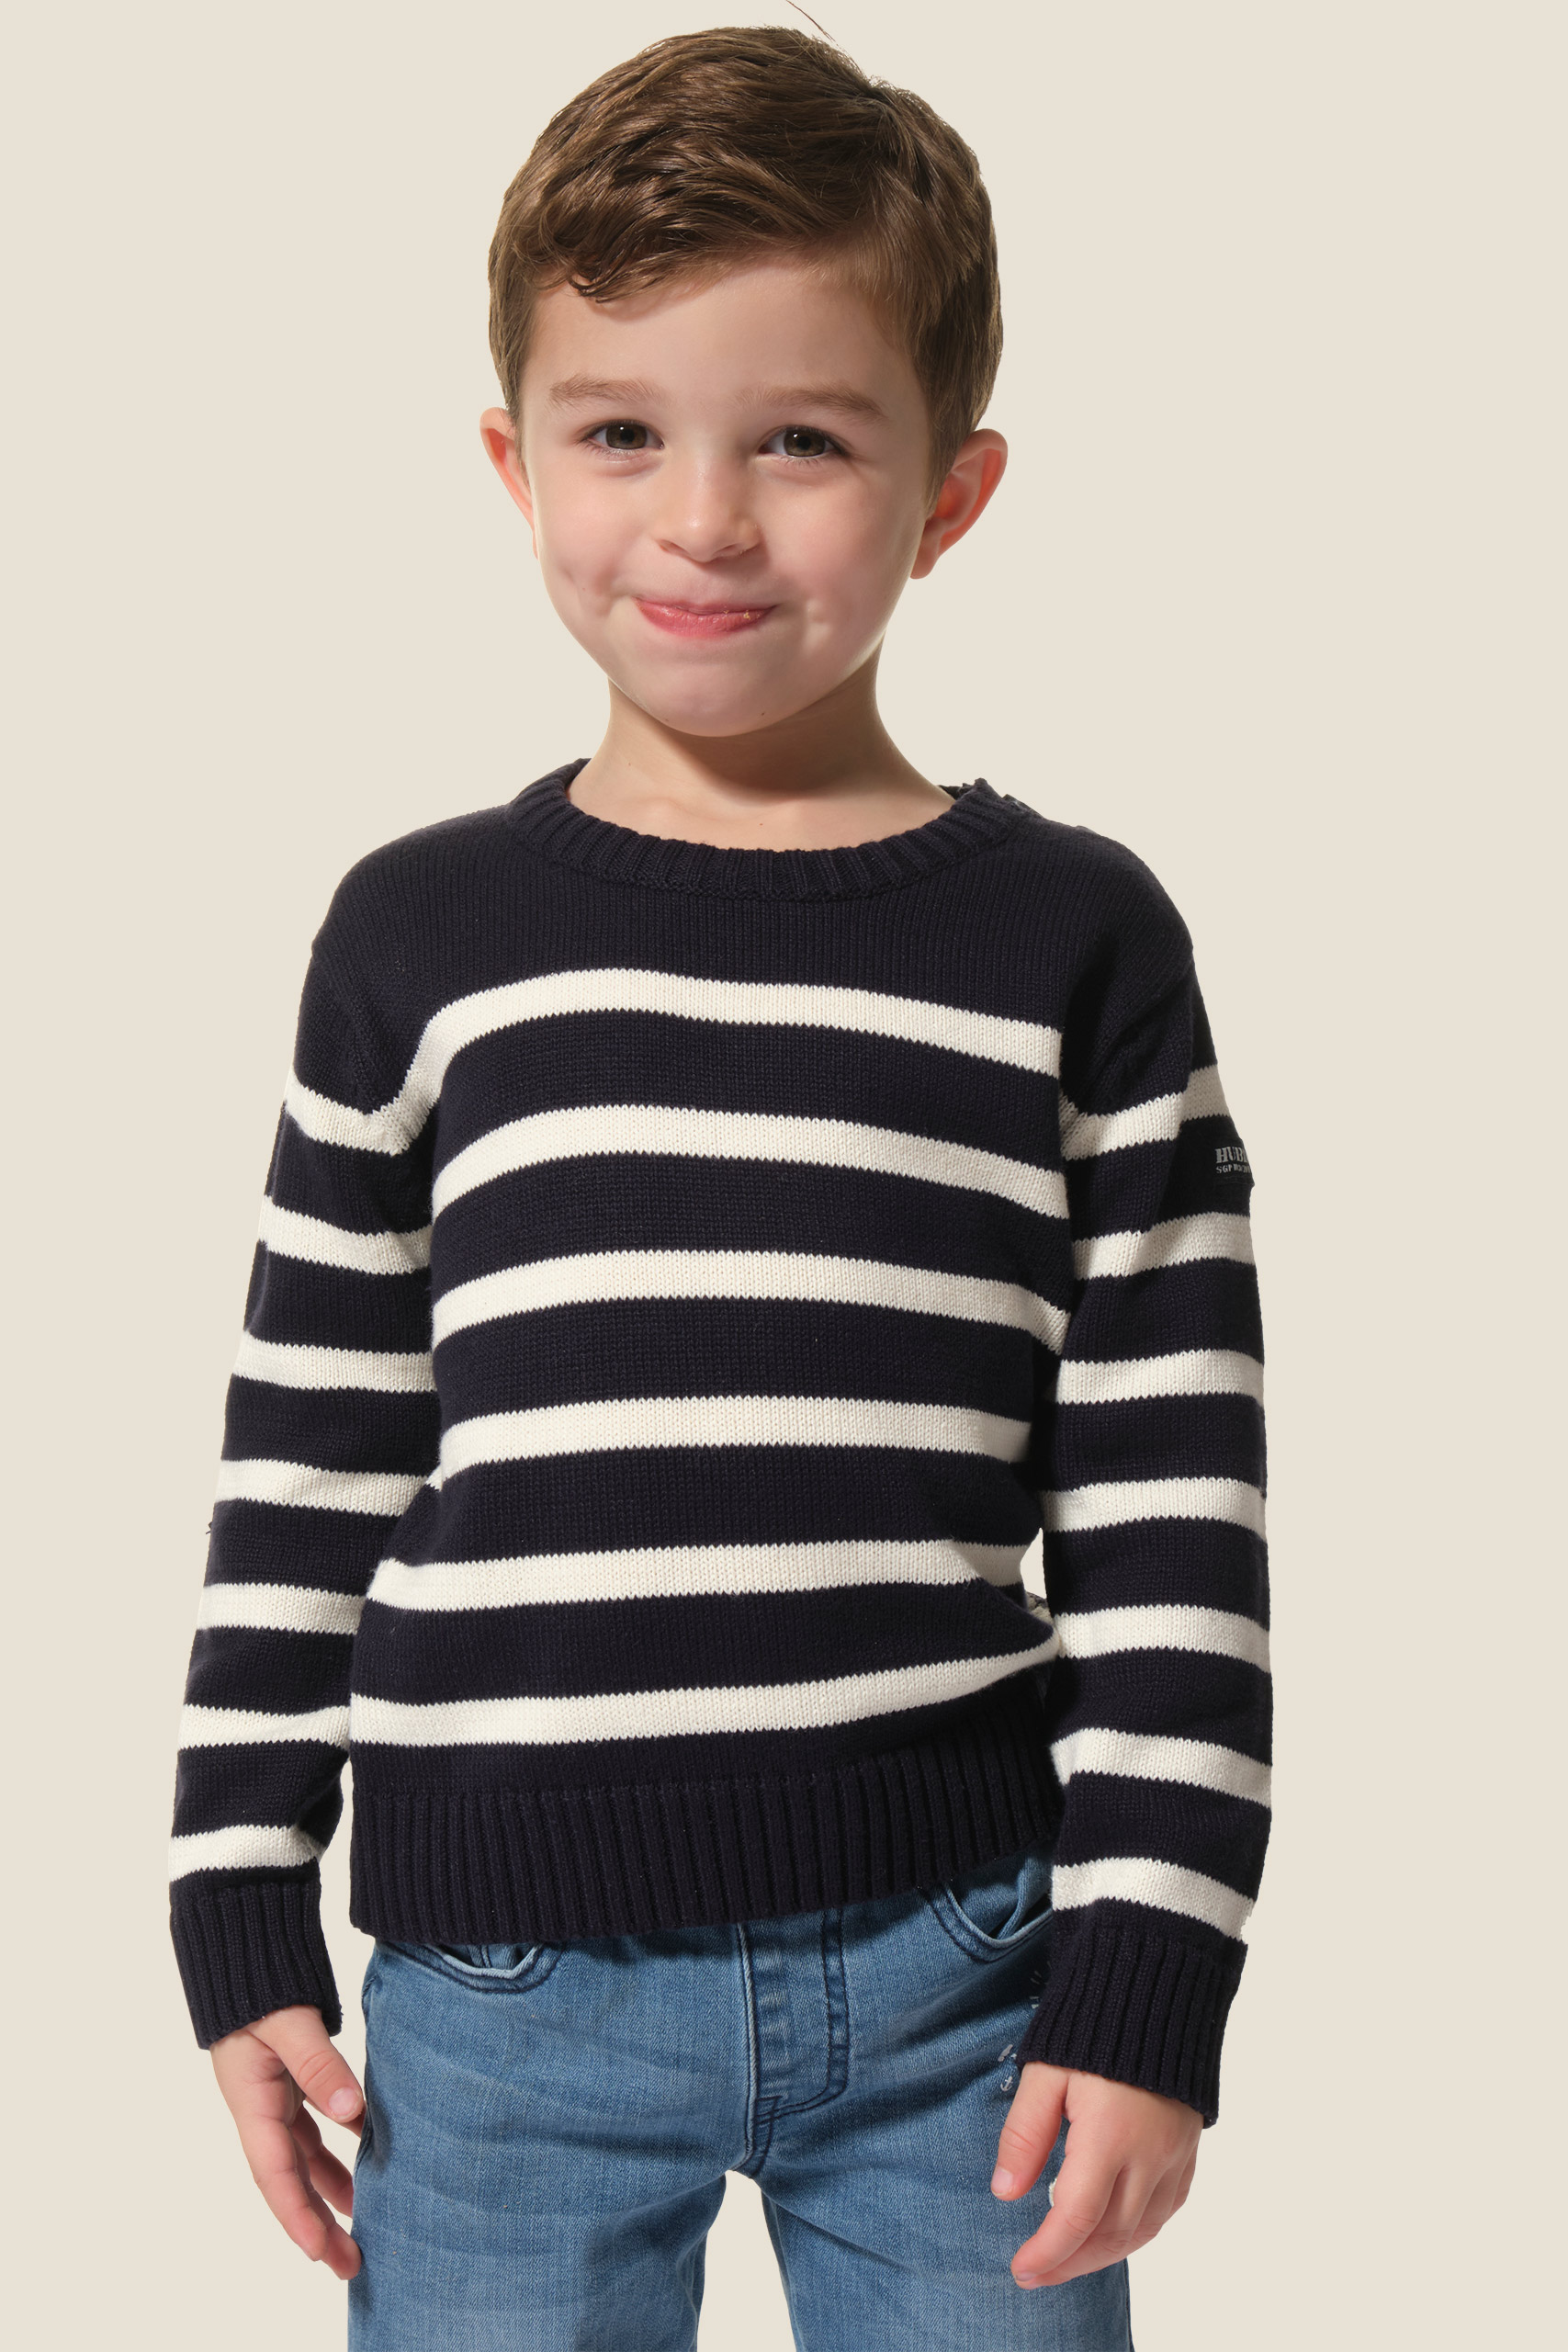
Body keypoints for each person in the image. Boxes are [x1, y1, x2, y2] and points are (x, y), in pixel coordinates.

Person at [168, 27, 1271, 2348]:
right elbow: (308, 1454)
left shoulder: (1074, 939)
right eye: (619, 434)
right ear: (512, 461)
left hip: (968, 1976)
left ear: (949, 492)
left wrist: (1155, 1959)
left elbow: (1169, 1497)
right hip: (501, 1985)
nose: (701, 519)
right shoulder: (417, 934)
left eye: (801, 439)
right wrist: (236, 1892)